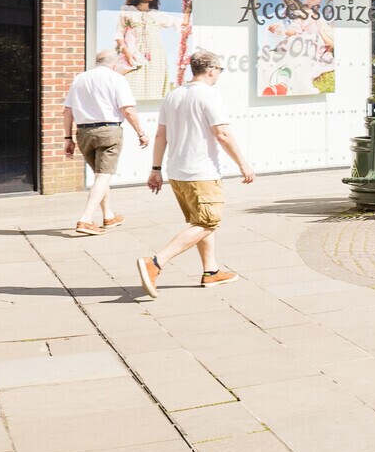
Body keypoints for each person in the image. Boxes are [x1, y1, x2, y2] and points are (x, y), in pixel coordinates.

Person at [135, 51, 255, 297]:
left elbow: (160, 135)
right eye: (219, 70)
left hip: (177, 172)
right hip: (201, 172)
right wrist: (243, 164)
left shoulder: (173, 94)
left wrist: (156, 169)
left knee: (201, 222)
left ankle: (211, 271)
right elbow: (222, 133)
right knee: (208, 222)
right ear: (211, 70)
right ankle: (155, 262)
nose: (219, 74)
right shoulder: (209, 95)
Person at [62, 49, 150, 236]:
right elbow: (127, 109)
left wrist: (68, 138)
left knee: (101, 176)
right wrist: (141, 132)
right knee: (103, 176)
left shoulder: (79, 79)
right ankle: (86, 219)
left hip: (84, 132)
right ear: (115, 62)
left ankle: (108, 215)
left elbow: (67, 111)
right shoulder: (116, 78)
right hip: (108, 131)